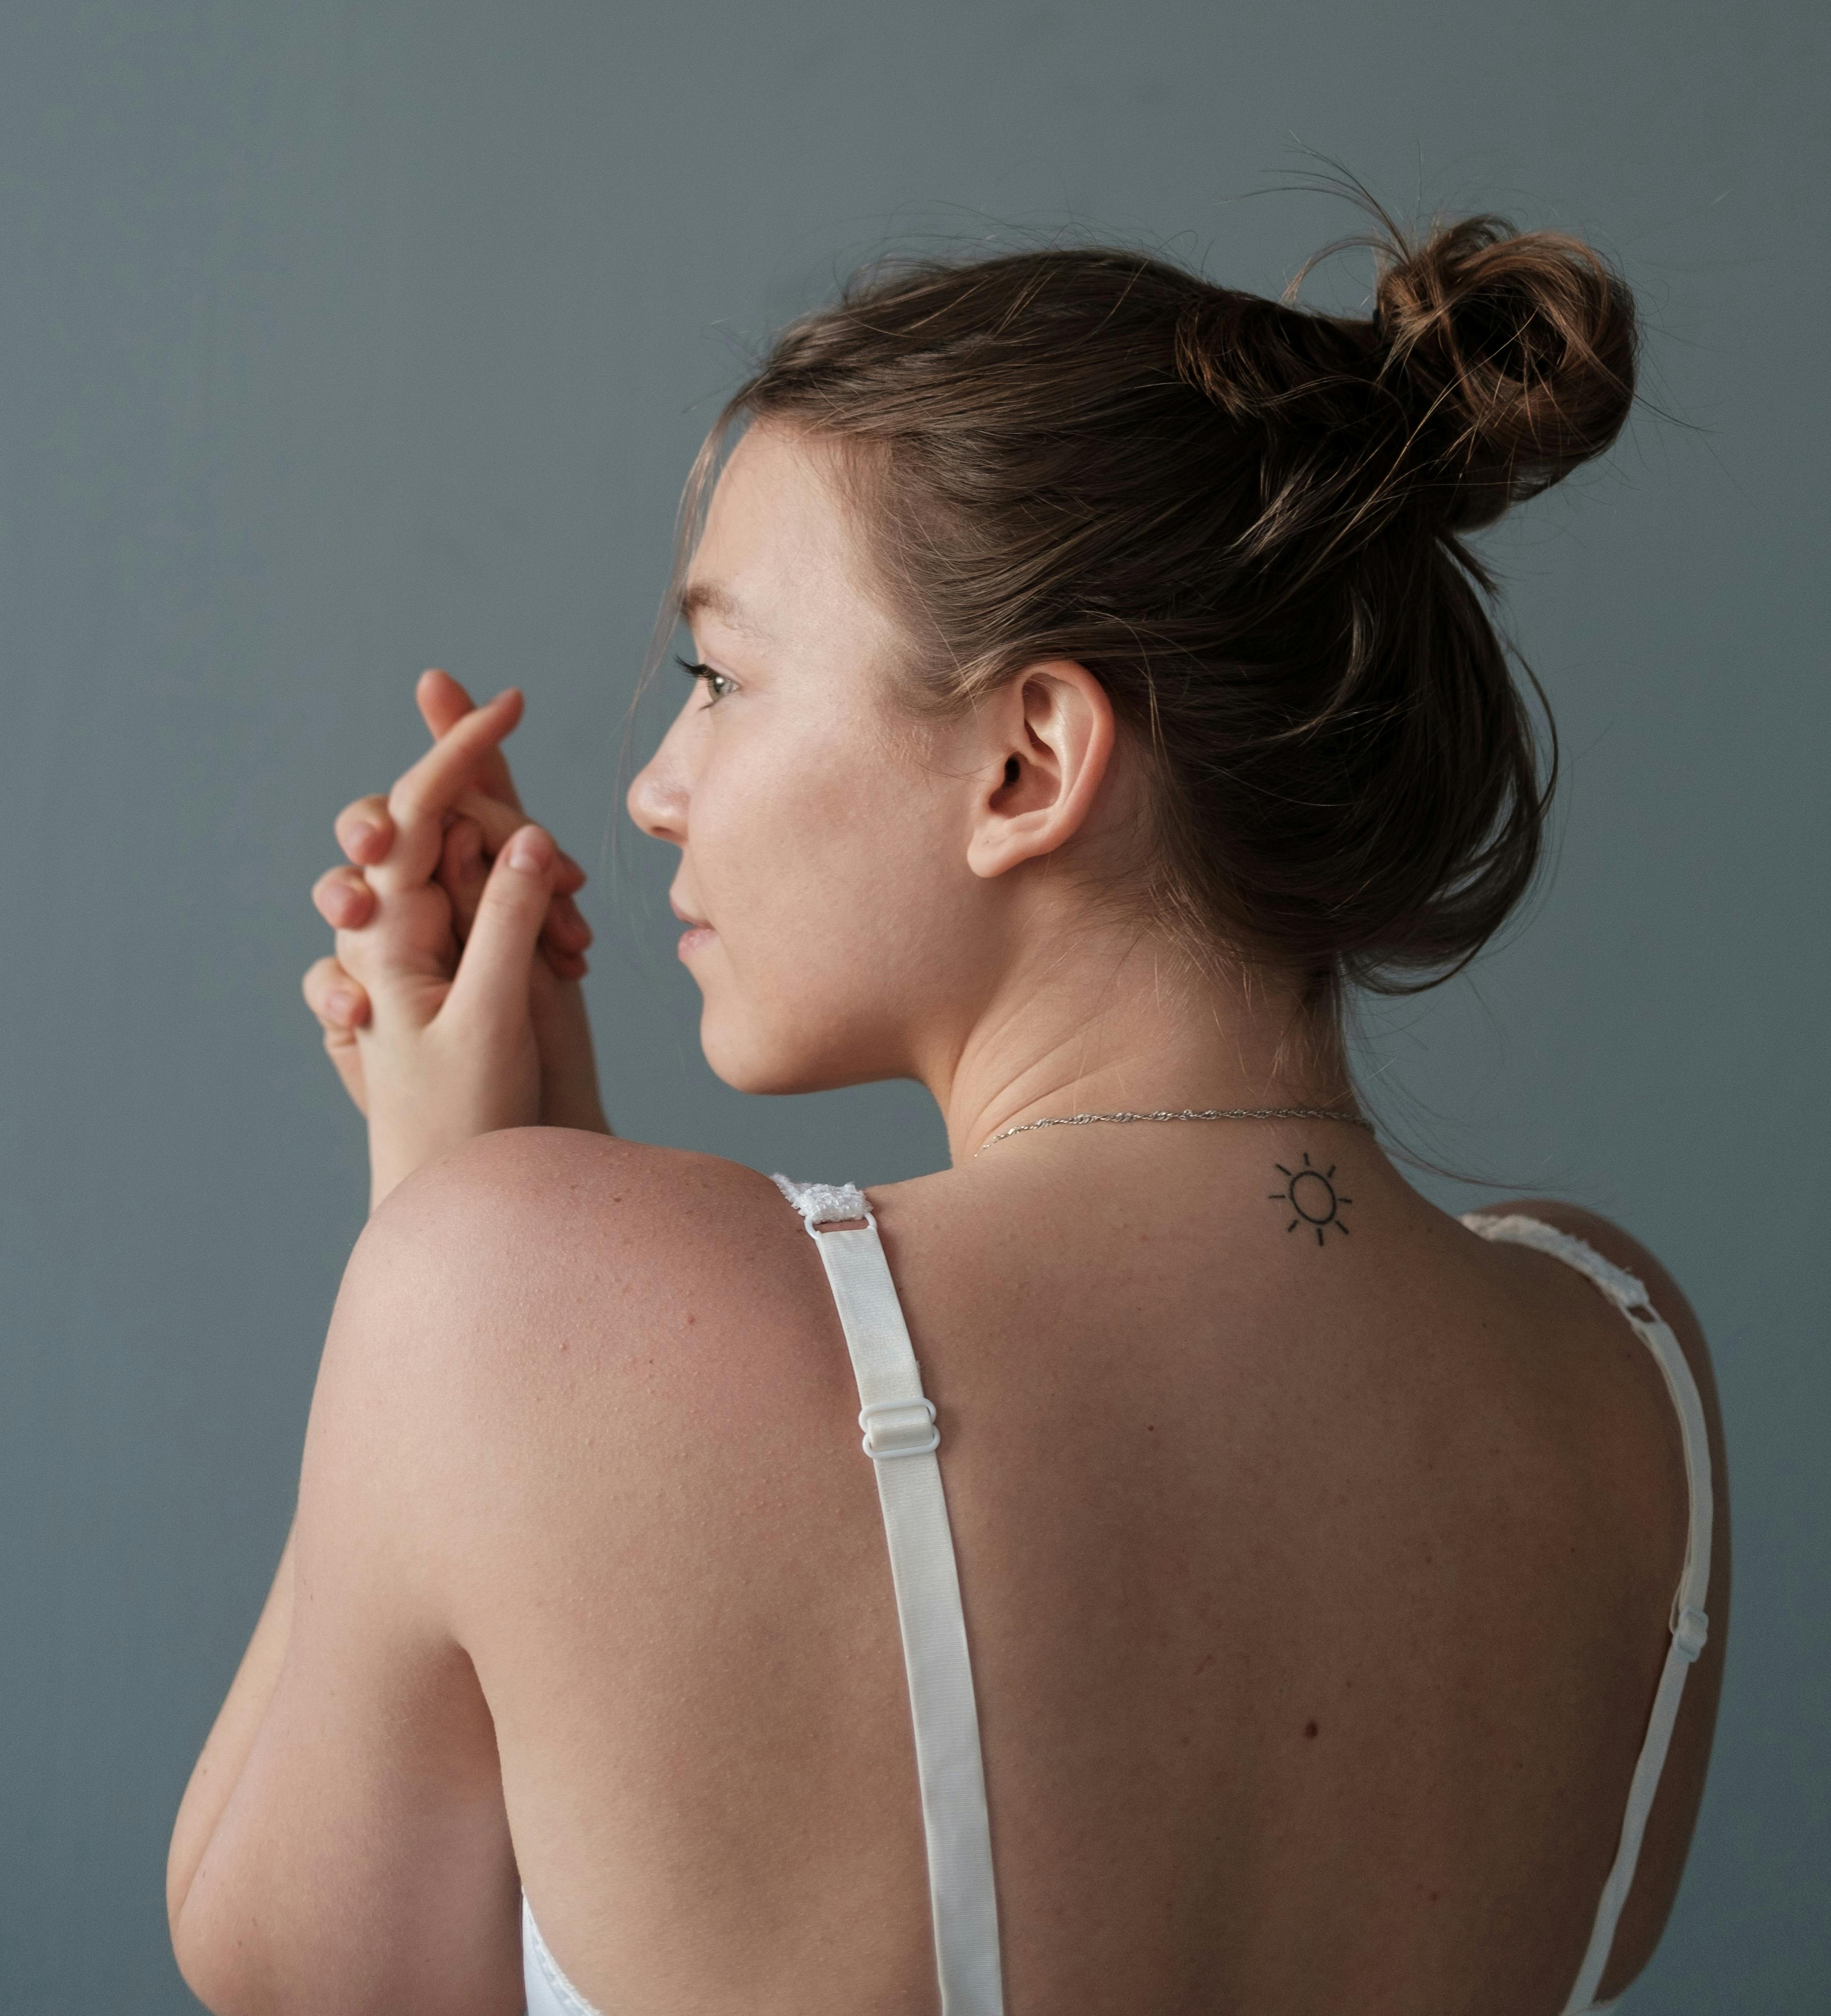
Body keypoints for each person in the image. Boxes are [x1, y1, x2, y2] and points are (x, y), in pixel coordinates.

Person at [167, 214, 1728, 2016]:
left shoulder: (508, 1295)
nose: (655, 788)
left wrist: (448, 1208)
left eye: (718, 678)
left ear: (1026, 760)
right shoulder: (1623, 1365)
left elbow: (296, 1972)